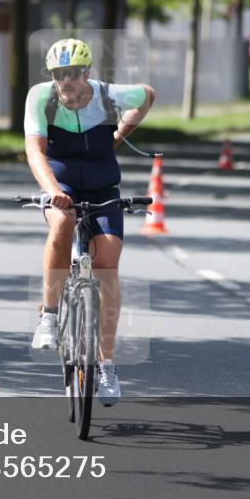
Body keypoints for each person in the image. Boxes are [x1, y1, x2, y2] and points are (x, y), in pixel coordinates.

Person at [23, 38, 155, 407]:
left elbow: (147, 94)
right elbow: (34, 149)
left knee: (107, 267)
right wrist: (51, 190)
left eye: (74, 74)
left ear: (88, 73)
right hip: (60, 184)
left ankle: (106, 365)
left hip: (103, 187)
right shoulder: (41, 98)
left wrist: (120, 133)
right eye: (59, 74)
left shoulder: (108, 96)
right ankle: (49, 316)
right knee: (62, 224)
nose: (67, 80)